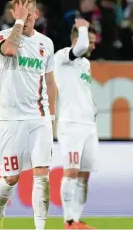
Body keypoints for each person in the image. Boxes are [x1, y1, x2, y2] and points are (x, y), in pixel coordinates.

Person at [0, 0, 56, 230]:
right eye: (20, 13)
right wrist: (17, 22)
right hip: (11, 119)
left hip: (38, 117)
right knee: (11, 178)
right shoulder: (3, 36)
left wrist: (52, 118)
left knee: (42, 174)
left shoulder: (46, 44)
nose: (26, 18)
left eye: (29, 14)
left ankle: (40, 228)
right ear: (15, 14)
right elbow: (9, 51)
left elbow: (50, 83)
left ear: (36, 15)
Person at [54, 18, 98, 229]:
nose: (92, 45)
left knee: (84, 175)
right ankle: (68, 220)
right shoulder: (63, 57)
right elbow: (79, 46)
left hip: (88, 124)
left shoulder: (86, 64)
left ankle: (77, 220)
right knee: (71, 171)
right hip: (71, 123)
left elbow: (83, 91)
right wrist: (83, 26)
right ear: (76, 39)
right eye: (90, 41)